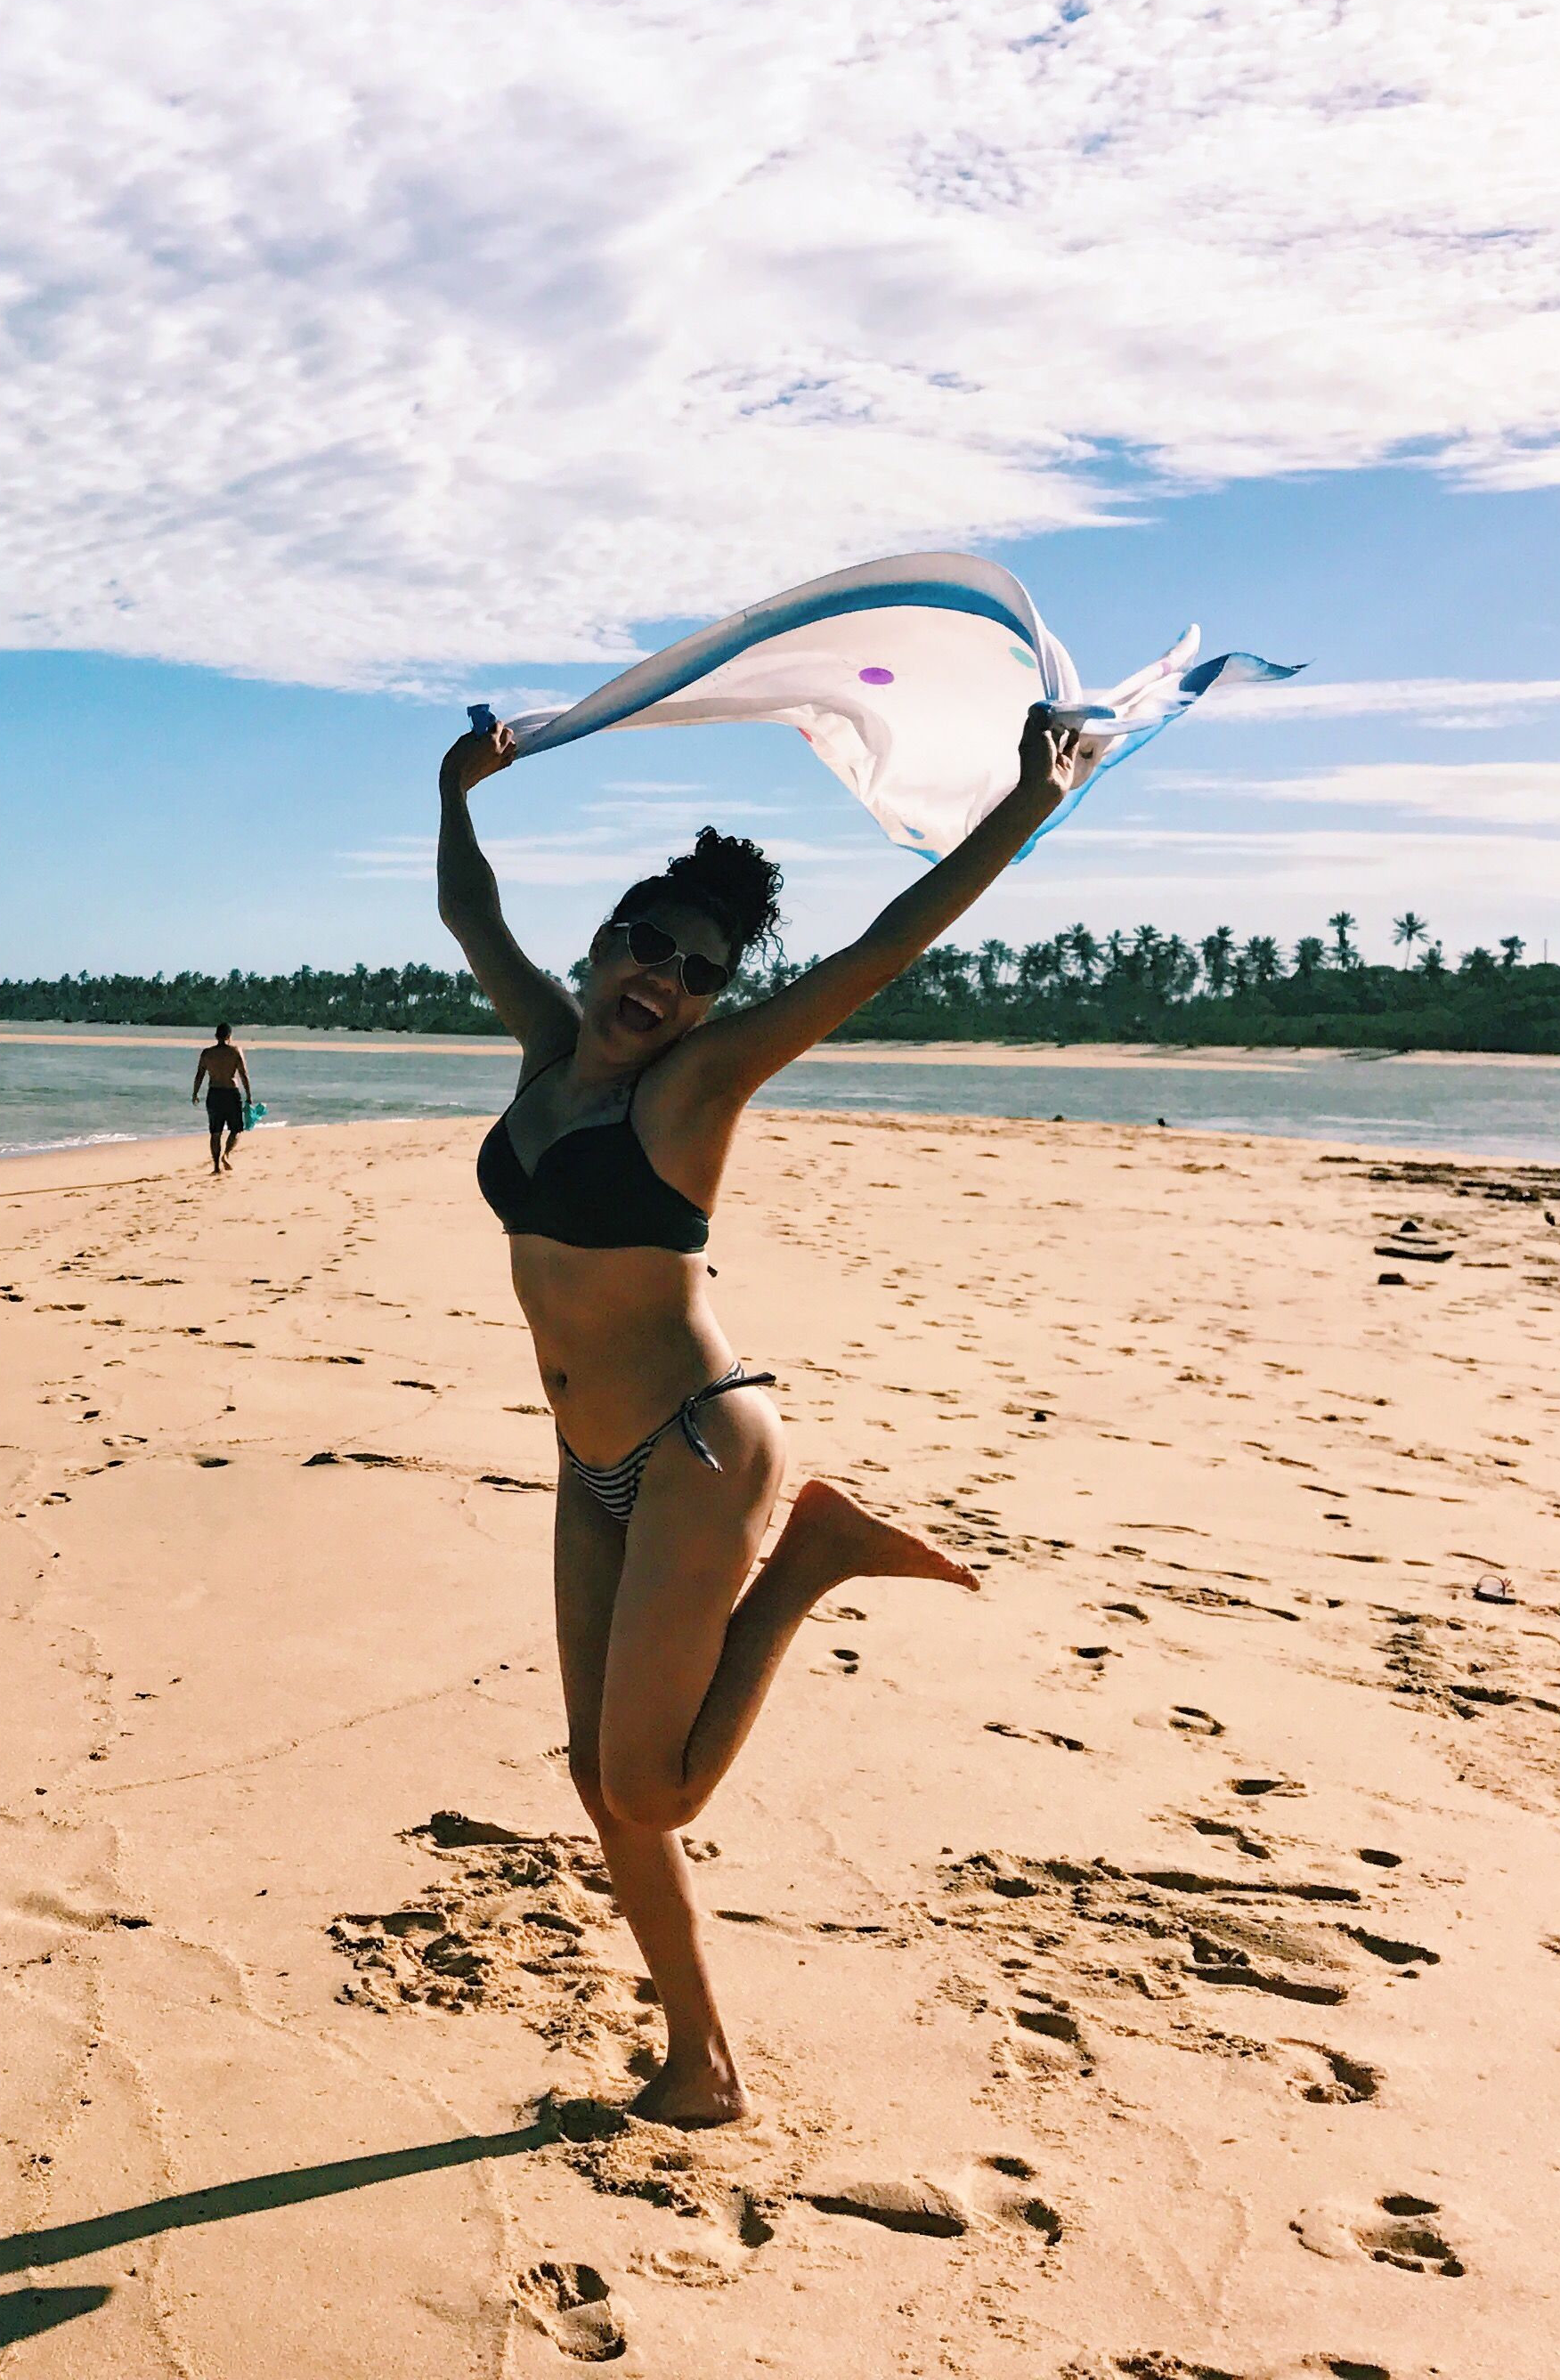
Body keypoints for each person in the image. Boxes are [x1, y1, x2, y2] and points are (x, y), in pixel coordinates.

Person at [435, 701, 1089, 2128]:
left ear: (714, 1004)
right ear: (601, 944)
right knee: (603, 1788)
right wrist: (454, 789)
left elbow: (878, 953)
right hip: (590, 1456)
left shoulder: (697, 1089)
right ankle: (701, 2063)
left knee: (652, 1794)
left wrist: (1024, 809)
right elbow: (469, 909)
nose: (662, 983)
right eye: (645, 947)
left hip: (701, 1451)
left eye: (697, 974)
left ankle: (807, 1564)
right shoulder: (544, 1052)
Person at [192, 1024, 253, 1174]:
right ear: (229, 1036)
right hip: (231, 1093)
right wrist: (249, 1095)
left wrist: (195, 1093)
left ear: (216, 1036)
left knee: (215, 1132)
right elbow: (244, 1074)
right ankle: (226, 1154)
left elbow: (199, 1075)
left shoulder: (207, 1053)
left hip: (214, 1093)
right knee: (237, 1129)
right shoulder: (235, 1051)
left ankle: (216, 1167)